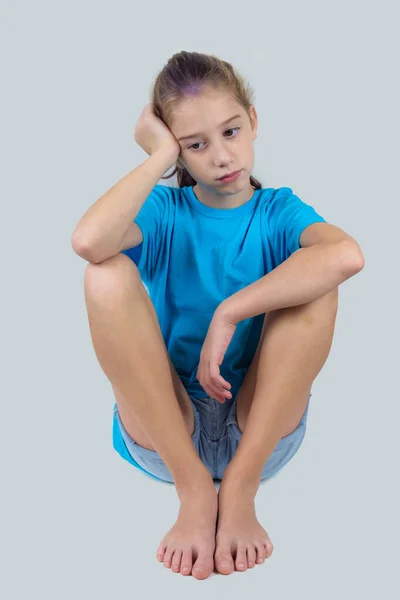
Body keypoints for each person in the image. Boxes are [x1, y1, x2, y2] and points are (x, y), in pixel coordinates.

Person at [71, 51, 364, 580]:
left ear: (252, 121)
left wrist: (230, 312)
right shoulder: (164, 212)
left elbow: (347, 256)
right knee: (104, 274)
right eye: (196, 145)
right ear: (177, 153)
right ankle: (195, 495)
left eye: (230, 132)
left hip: (260, 430)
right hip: (168, 432)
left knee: (320, 279)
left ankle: (241, 490)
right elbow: (90, 242)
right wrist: (157, 158)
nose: (221, 156)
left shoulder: (278, 212)